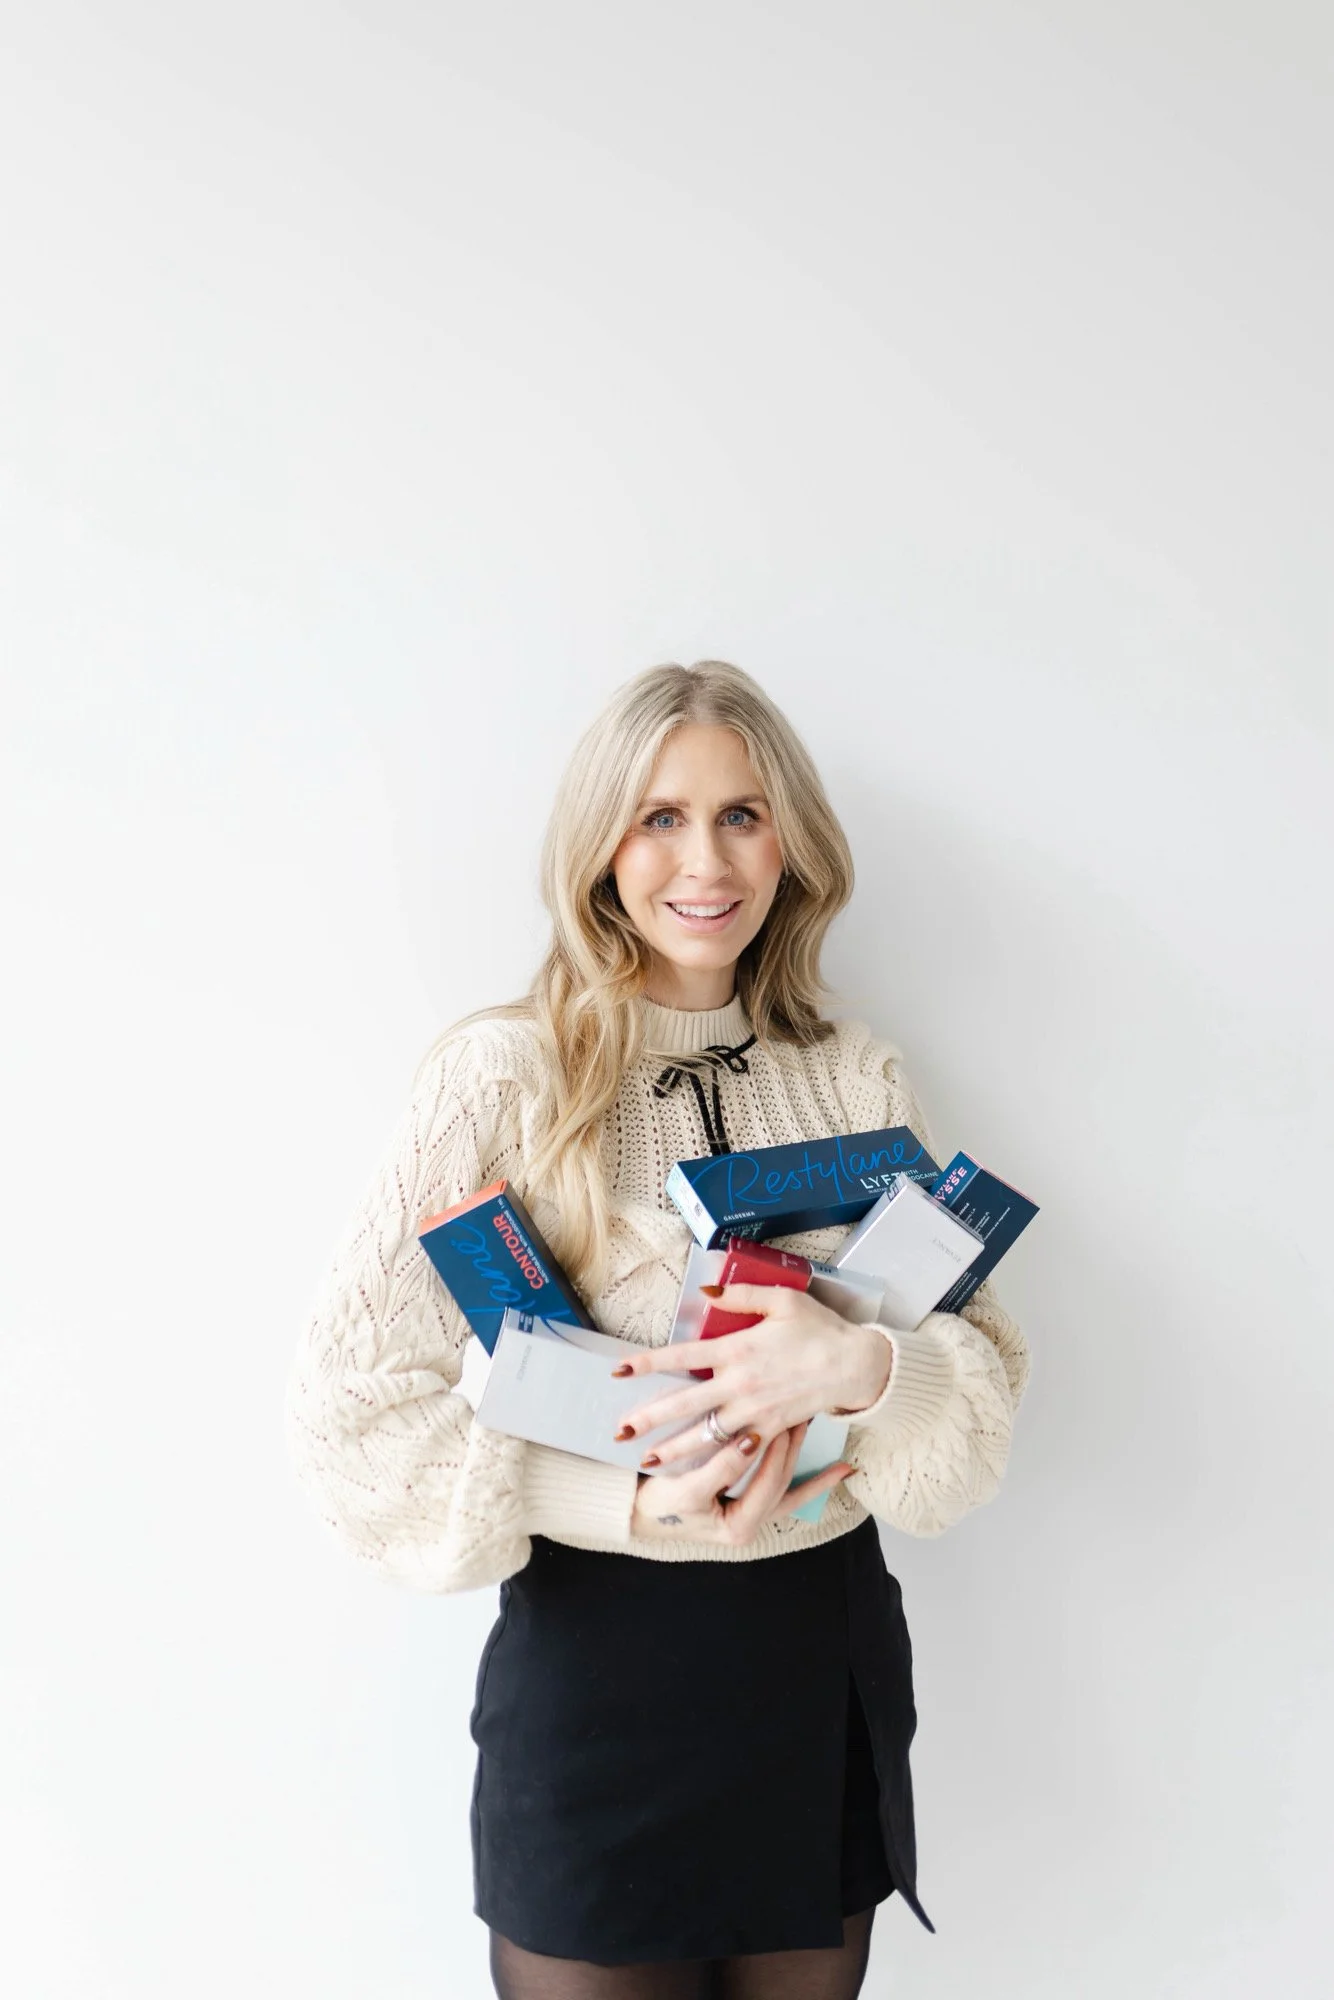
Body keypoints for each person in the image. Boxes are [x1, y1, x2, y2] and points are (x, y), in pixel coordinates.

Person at [285, 660, 1031, 2000]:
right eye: (659, 817)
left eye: (742, 814)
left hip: (815, 1671)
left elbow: (969, 1416)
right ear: (599, 847)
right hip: (597, 1684)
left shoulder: (851, 1068)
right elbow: (354, 1416)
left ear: (791, 839)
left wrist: (866, 1366)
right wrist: (623, 1501)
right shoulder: (504, 1074)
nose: (706, 860)